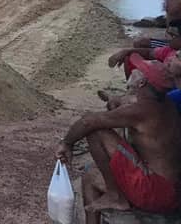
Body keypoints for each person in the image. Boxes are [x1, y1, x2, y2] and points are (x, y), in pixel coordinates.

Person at [58, 56, 181, 222]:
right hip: (171, 190)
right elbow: (128, 103)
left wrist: (67, 143)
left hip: (155, 190)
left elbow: (88, 122)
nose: (133, 70)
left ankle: (115, 195)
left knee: (96, 131)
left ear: (141, 83)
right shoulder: (164, 104)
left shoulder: (141, 111)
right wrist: (116, 100)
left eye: (139, 69)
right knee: (91, 177)